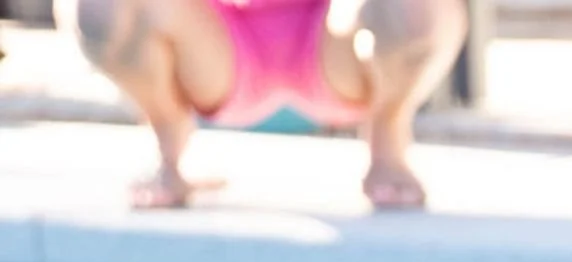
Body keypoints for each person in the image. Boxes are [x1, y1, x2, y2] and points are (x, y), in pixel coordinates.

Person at [62, 0, 464, 210]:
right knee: (100, 8)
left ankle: (388, 135)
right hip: (217, 47)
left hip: (335, 44)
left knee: (415, 10)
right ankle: (168, 135)